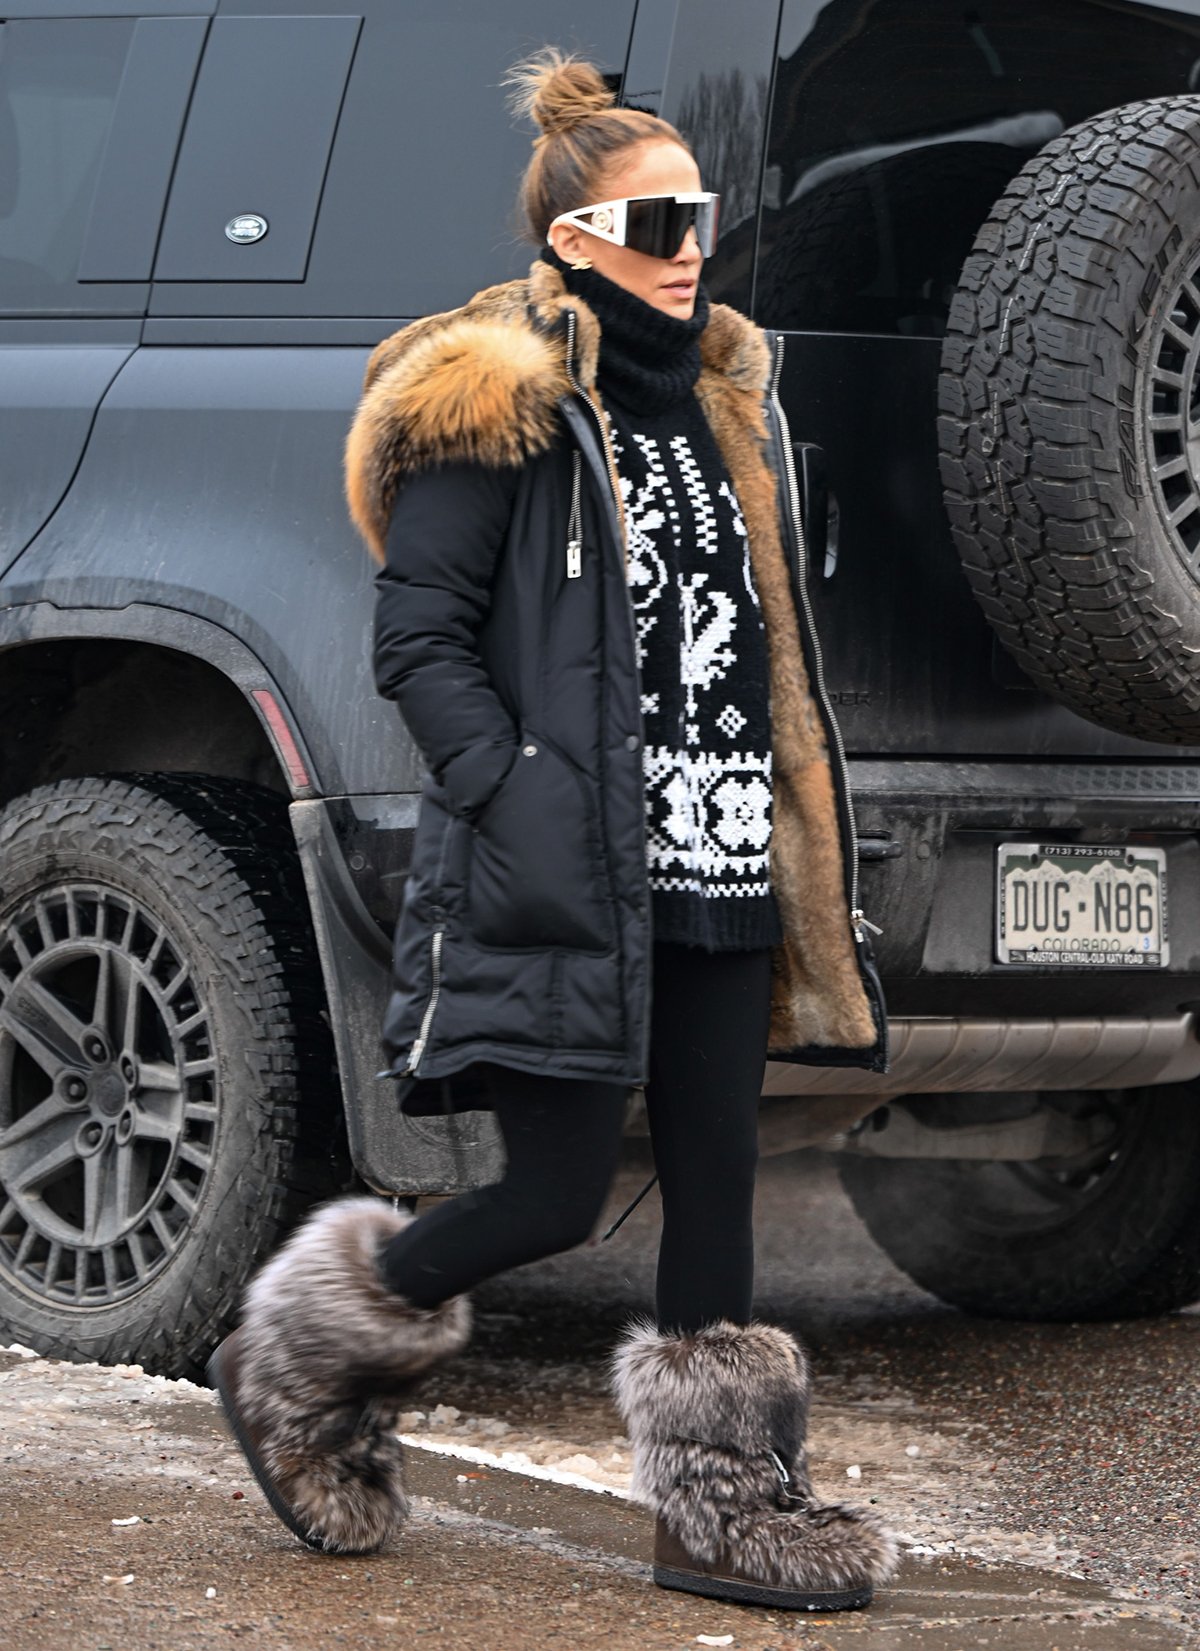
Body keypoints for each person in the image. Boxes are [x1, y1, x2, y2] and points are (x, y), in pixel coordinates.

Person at [207, 48, 896, 1613]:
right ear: (573, 245)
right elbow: (420, 639)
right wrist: (510, 788)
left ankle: (721, 1512)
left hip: (721, 852)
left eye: (698, 216)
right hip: (567, 858)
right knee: (555, 1195)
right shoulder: (493, 400)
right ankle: (300, 1357)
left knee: (718, 1175)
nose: (689, 247)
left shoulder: (732, 406)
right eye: (655, 224)